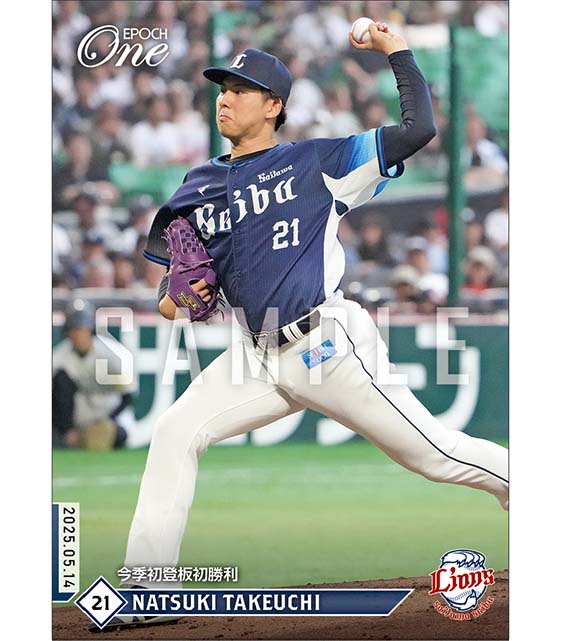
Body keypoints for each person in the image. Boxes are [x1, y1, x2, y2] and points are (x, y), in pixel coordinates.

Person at [102, 24, 508, 631]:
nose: (225, 99)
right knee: (175, 431)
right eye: (222, 88)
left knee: (433, 455)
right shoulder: (196, 187)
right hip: (255, 355)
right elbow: (175, 294)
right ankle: (147, 589)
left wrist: (396, 51)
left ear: (274, 106)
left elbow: (417, 129)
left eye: (241, 90)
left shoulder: (316, 162)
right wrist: (176, 298)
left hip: (325, 345)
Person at [52, 300, 135, 450]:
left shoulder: (110, 354)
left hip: (106, 418)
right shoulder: (59, 359)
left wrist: (108, 420)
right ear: (67, 332)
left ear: (90, 329)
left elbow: (127, 395)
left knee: (120, 435)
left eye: (81, 329)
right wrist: (67, 430)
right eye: (74, 329)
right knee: (60, 380)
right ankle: (69, 437)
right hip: (76, 424)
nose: (78, 334)